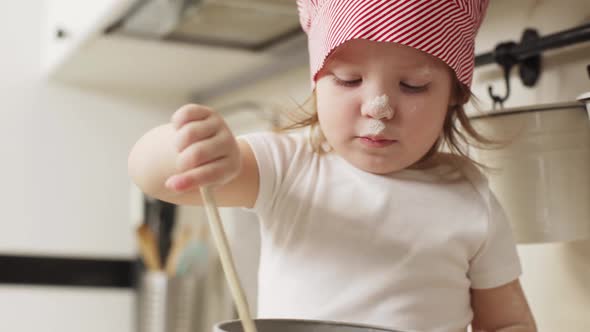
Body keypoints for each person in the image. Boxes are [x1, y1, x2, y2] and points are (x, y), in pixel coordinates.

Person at [128, 1, 537, 331]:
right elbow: (152, 174)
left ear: (453, 94)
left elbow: (508, 321)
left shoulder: (467, 194)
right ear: (317, 83)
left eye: (413, 85)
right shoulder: (288, 165)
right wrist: (191, 148)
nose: (378, 107)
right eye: (347, 80)